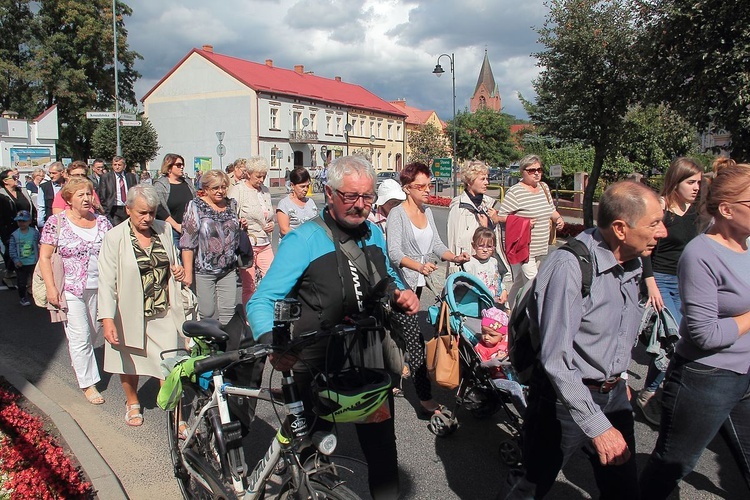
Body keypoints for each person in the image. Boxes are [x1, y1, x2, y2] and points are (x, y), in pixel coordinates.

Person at [247, 155, 420, 499]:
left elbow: (383, 274)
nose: (360, 206)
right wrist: (272, 342)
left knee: (383, 454)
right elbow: (261, 301)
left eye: (367, 197)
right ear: (329, 192)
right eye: (350, 197)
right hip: (316, 362)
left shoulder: (373, 234)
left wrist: (398, 292)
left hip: (368, 360)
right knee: (315, 456)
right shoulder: (304, 240)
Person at [503, 181, 667, 500]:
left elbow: (615, 331)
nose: (662, 233)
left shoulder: (632, 262)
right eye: (654, 224)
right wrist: (599, 425)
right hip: (559, 399)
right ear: (620, 228)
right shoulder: (569, 266)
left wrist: (618, 379)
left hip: (613, 395)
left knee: (623, 489)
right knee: (531, 485)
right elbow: (556, 360)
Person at [639, 163, 750, 498]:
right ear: (728, 210)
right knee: (674, 464)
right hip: (706, 378)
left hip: (744, 374)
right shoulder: (701, 253)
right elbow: (703, 334)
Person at [98, 185, 186, 426]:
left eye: (152, 212)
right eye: (142, 213)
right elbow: (106, 281)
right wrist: (107, 319)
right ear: (128, 210)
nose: (148, 218)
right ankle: (132, 402)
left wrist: (177, 269)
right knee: (129, 361)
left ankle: (177, 417)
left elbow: (172, 261)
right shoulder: (114, 237)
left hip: (163, 311)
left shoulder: (164, 229)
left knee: (169, 365)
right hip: (129, 312)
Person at [386, 162, 470, 414]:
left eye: (429, 184)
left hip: (419, 286)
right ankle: (424, 398)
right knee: (415, 342)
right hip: (400, 286)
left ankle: (386, 377)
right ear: (407, 188)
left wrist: (453, 257)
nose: (427, 189)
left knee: (396, 335)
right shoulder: (397, 214)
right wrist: (418, 267)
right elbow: (394, 253)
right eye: (420, 186)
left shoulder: (428, 212)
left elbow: (435, 242)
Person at [637, 157, 702, 425]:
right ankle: (649, 394)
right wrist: (650, 282)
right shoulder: (662, 208)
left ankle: (666, 390)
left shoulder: (698, 211)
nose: (697, 187)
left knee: (686, 340)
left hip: (685, 281)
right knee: (670, 340)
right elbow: (646, 248)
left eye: (699, 182)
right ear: (676, 182)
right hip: (660, 280)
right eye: (691, 182)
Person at [39, 177, 112, 406]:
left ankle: (82, 364)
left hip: (100, 287)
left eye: (89, 194)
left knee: (93, 333)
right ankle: (88, 383)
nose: (87, 198)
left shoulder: (102, 222)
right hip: (71, 288)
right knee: (80, 336)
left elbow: (113, 253)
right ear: (69, 199)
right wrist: (52, 288)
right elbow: (45, 256)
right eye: (80, 195)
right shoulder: (56, 222)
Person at [496, 155, 565, 307]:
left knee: (520, 282)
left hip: (540, 247)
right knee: (535, 284)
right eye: (532, 170)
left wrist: (558, 219)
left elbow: (550, 210)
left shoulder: (544, 188)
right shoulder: (515, 192)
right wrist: (523, 223)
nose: (537, 173)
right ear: (522, 172)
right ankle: (533, 318)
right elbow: (500, 217)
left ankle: (509, 309)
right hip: (524, 248)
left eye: (539, 169)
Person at [181, 170, 242, 326]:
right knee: (206, 311)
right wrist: (187, 274)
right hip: (204, 269)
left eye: (223, 187)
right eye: (215, 188)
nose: (220, 191)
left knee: (228, 311)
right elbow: (188, 242)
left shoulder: (231, 204)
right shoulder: (196, 206)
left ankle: (227, 347)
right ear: (206, 188)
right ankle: (206, 345)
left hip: (228, 268)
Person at [227, 156, 274, 304]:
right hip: (248, 244)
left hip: (265, 242)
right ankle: (249, 319)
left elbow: (268, 214)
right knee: (249, 285)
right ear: (248, 174)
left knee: (271, 280)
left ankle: (266, 311)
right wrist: (240, 223)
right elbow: (229, 215)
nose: (261, 180)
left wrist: (272, 223)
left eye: (264, 176)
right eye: (258, 176)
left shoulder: (265, 191)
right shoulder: (238, 190)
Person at [446, 160, 505, 276]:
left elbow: (492, 239)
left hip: (486, 266)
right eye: (482, 179)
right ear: (469, 181)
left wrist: (492, 222)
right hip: (467, 267)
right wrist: (455, 270)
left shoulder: (486, 205)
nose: (487, 183)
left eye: (487, 178)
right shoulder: (459, 208)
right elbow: (454, 242)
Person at [475, 307, 526, 415]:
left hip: (513, 373)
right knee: (514, 387)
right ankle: (526, 416)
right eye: (483, 332)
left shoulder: (506, 341)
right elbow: (481, 365)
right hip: (495, 378)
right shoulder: (481, 347)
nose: (486, 337)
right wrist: (493, 362)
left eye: (491, 335)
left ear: (502, 335)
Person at [153, 153, 197, 251]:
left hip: (190, 230)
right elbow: (158, 208)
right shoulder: (160, 185)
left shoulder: (187, 183)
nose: (181, 167)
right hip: (172, 231)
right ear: (169, 167)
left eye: (182, 165)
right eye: (178, 165)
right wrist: (176, 226)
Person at [1, 168, 35, 287]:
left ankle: (29, 282)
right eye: (13, 177)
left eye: (17, 176)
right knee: (13, 253)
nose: (17, 179)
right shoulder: (2, 195)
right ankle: (8, 274)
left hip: (27, 228)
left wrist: (33, 221)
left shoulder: (23, 191)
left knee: (28, 253)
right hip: (11, 229)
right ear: (5, 181)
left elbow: (31, 207)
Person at [463, 227, 508, 306]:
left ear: (494, 247)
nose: (485, 250)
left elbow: (497, 280)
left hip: (494, 302)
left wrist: (503, 290)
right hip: (476, 303)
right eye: (481, 246)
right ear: (474, 245)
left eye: (489, 246)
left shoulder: (493, 261)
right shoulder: (469, 264)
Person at [8, 210, 40, 306]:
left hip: (33, 261)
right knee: (21, 283)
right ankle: (23, 297)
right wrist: (16, 260)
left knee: (36, 280)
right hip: (21, 263)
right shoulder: (15, 235)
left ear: (29, 221)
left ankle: (36, 295)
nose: (21, 223)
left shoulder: (34, 233)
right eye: (19, 221)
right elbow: (12, 249)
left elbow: (40, 244)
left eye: (24, 221)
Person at [276, 166, 318, 237]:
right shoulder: (284, 204)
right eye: (302, 186)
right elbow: (284, 230)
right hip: (293, 244)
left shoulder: (310, 202)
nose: (306, 189)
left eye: (307, 186)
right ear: (292, 185)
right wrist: (303, 238)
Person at [98, 155, 138, 226]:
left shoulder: (130, 176)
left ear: (124, 166)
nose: (117, 167)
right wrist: (106, 209)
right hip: (114, 209)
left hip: (127, 208)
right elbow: (102, 195)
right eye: (115, 165)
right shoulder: (106, 177)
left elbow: (135, 192)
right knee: (117, 229)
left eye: (119, 165)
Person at [37, 162, 66, 226]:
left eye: (54, 173)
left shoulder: (69, 185)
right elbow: (41, 207)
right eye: (50, 173)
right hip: (51, 222)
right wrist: (41, 225)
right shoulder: (44, 187)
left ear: (62, 173)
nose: (51, 176)